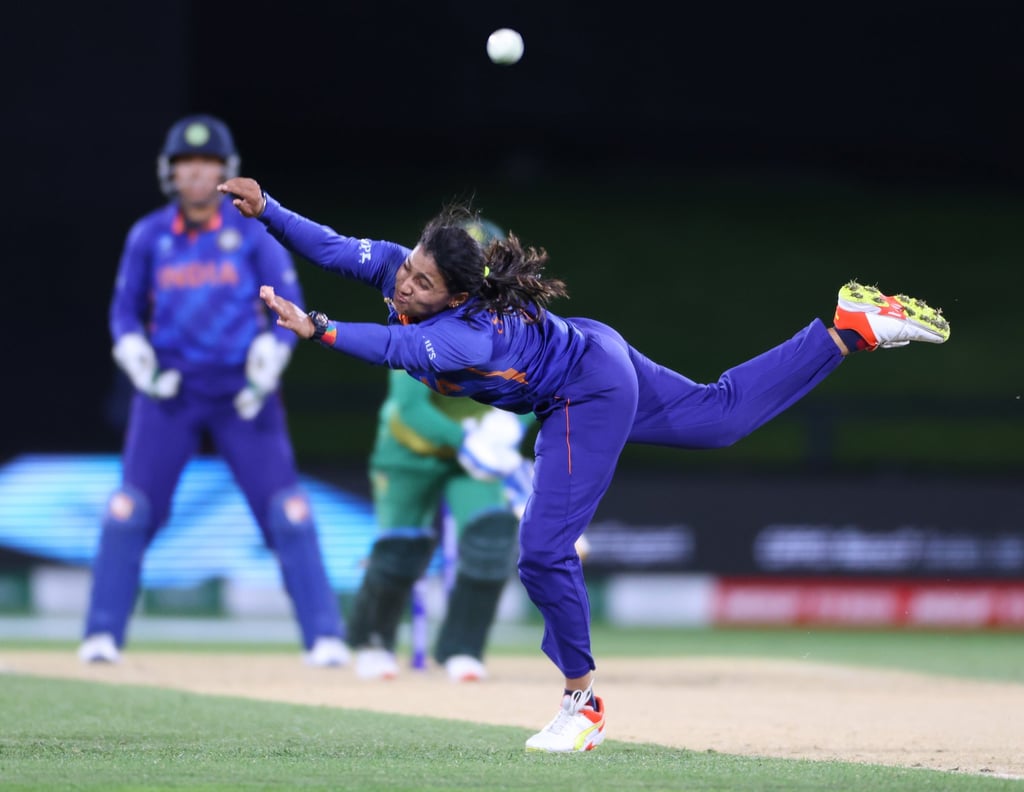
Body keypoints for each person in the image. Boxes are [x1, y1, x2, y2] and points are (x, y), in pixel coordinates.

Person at [218, 175, 951, 752]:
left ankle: (583, 702)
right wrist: (268, 209)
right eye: (407, 269)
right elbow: (335, 246)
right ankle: (850, 329)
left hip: (586, 390)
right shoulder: (404, 273)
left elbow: (395, 350)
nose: (404, 285)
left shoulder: (468, 336)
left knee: (540, 553)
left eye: (420, 285)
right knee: (722, 419)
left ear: (460, 297)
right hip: (594, 348)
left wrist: (315, 328)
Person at [78, 116, 348, 668]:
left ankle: (324, 637)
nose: (197, 174)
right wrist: (140, 363)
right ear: (170, 173)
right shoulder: (149, 236)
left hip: (241, 392)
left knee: (289, 512)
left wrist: (267, 363)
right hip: (169, 391)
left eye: (206, 164)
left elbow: (287, 306)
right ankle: (101, 635)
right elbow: (124, 314)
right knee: (128, 510)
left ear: (225, 172)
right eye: (186, 165)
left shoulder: (252, 232)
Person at [351, 217, 533, 683]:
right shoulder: (418, 314)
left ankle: (461, 648)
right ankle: (372, 641)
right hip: (410, 449)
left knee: (491, 535)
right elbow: (412, 412)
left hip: (471, 458)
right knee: (401, 547)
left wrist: (510, 427)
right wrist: (467, 440)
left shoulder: (518, 323)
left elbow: (541, 385)